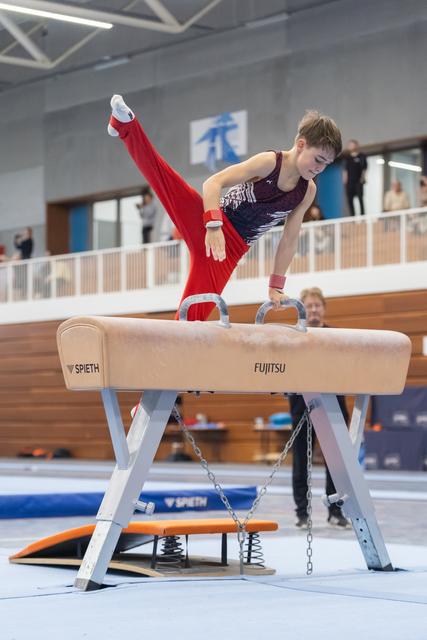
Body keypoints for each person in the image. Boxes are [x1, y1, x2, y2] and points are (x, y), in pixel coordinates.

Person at [108, 95, 342, 320]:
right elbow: (213, 183)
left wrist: (275, 287)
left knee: (194, 315)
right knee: (164, 179)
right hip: (210, 222)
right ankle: (126, 125)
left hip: (228, 252)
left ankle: (175, 354)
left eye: (327, 164)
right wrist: (213, 226)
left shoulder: (307, 191)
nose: (320, 168)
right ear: (301, 145)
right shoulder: (269, 162)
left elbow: (289, 240)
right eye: (318, 159)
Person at [289, 286, 349, 528]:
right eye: (308, 306)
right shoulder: (294, 337)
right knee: (301, 460)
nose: (313, 310)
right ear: (302, 311)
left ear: (324, 309)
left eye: (317, 305)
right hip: (301, 405)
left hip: (332, 405)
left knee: (336, 461)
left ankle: (336, 511)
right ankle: (302, 512)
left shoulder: (336, 338)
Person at [342, 139, 367, 217]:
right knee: (350, 200)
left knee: (360, 198)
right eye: (349, 145)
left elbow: (364, 169)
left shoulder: (361, 156)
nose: (350, 146)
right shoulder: (347, 157)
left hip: (358, 181)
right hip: (350, 182)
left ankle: (362, 215)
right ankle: (352, 216)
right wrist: (345, 180)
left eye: (352, 145)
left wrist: (362, 178)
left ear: (356, 145)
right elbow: (345, 170)